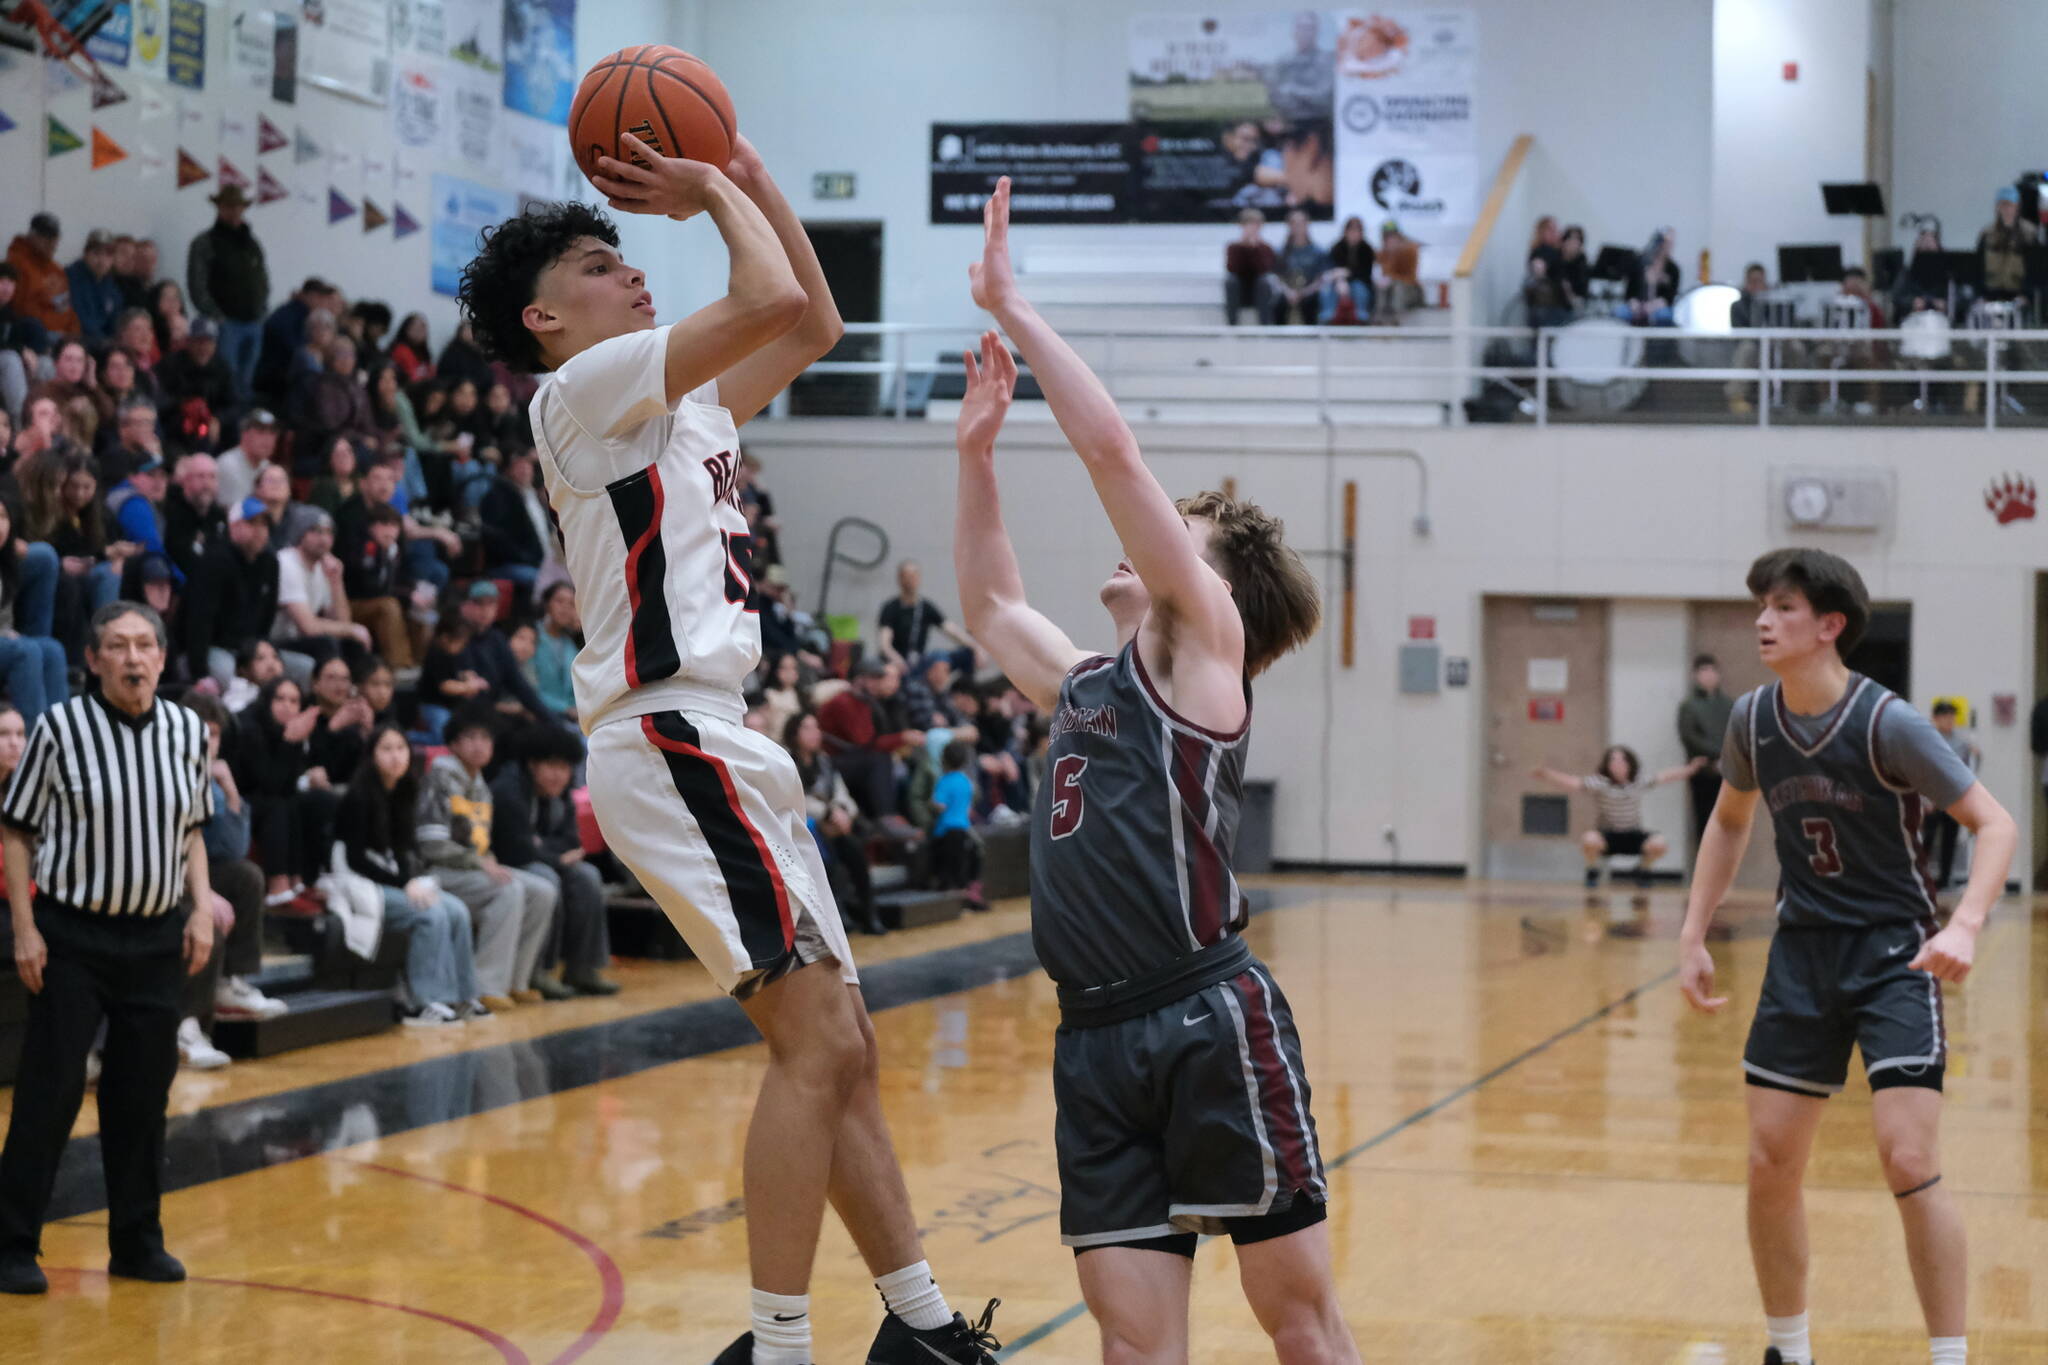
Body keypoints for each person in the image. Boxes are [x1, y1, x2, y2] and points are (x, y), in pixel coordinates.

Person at [456, 130, 1000, 1364]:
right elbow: (758, 296)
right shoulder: (579, 394)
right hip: (665, 736)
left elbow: (807, 321)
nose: (634, 275)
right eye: (604, 264)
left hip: (722, 737)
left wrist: (750, 179)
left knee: (844, 1050)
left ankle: (916, 1328)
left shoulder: (681, 406)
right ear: (544, 318)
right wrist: (706, 191)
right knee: (814, 1045)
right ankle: (775, 1344)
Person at [952, 177, 1353, 1361]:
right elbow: (989, 603)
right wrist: (978, 452)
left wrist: (1014, 307)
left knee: (1298, 1324)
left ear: (1210, 588)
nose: (1148, 539)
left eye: (1179, 534)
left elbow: (1112, 451)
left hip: (1205, 1019)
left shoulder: (1203, 665)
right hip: (1092, 1036)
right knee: (1133, 1349)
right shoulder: (1085, 680)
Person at [1679, 548, 2016, 1365]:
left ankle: (1950, 1356)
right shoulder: (1752, 720)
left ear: (1829, 626)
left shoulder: (1888, 723)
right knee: (1769, 1161)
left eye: (1785, 607)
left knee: (1908, 1155)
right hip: (1802, 951)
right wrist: (1695, 929)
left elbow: (1996, 823)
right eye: (1762, 604)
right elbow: (1729, 822)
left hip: (1895, 951)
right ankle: (1789, 1350)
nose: (1764, 619)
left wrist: (1965, 922)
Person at [0, 602, 214, 1295]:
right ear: (92, 660)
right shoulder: (60, 728)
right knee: (50, 1091)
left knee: (140, 1095)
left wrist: (201, 909)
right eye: (118, 645)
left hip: (155, 936)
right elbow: (16, 831)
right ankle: (9, 1243)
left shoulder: (186, 729)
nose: (133, 657)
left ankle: (137, 1241)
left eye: (145, 644)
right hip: (73, 934)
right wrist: (26, 927)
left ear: (160, 655)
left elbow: (193, 828)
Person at [332, 724, 481, 1025]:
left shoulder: (404, 792)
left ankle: (462, 995)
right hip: (356, 881)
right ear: (371, 755)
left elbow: (401, 851)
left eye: (400, 748)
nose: (395, 757)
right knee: (431, 913)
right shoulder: (358, 796)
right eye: (386, 749)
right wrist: (406, 884)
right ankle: (421, 1002)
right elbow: (356, 859)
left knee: (457, 911)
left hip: (388, 880)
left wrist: (412, 880)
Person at [418, 707, 555, 1012]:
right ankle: (484, 986)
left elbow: (480, 844)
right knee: (507, 889)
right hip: (437, 872)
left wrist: (485, 862)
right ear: (453, 744)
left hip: (470, 868)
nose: (479, 745)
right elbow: (430, 845)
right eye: (470, 738)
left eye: (485, 738)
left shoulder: (480, 786)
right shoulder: (438, 778)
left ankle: (516, 981)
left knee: (542, 891)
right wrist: (479, 863)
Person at [179, 693, 288, 1029]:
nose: (209, 743)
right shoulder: (169, 773)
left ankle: (230, 982)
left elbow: (232, 849)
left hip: (198, 871)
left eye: (214, 735)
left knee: (247, 875)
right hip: (163, 879)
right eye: (202, 733)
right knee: (207, 921)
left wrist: (231, 792)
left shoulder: (212, 780)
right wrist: (202, 896)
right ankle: (187, 1024)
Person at [490, 724, 617, 996]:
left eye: (565, 767)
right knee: (546, 878)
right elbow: (517, 850)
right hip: (509, 865)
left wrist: (544, 849)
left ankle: (583, 968)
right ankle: (539, 970)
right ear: (533, 764)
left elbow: (571, 841)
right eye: (552, 766)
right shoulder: (508, 790)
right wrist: (555, 857)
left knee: (587, 877)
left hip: (542, 861)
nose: (559, 775)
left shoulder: (561, 794)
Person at [1531, 746, 1703, 888]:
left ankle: (1643, 869)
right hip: (1608, 835)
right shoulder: (1600, 783)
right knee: (1589, 839)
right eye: (1613, 760)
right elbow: (1574, 784)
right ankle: (1592, 870)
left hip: (1633, 834)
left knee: (1659, 844)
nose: (1617, 764)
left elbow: (1666, 776)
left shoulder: (1638, 782)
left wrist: (1691, 769)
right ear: (1607, 764)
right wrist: (1547, 774)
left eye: (1622, 760)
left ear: (1630, 763)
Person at [182, 497, 280, 689]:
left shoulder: (270, 563)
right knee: (226, 673)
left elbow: (267, 617)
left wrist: (263, 653)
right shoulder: (214, 561)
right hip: (215, 647)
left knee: (299, 668)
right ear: (233, 526)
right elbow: (199, 620)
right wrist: (200, 672)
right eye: (252, 523)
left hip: (251, 648)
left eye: (264, 524)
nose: (260, 531)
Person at [0, 498, 67, 723]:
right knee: (26, 652)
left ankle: (64, 741)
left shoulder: (6, 560)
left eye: (3, 517)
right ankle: (33, 747)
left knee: (51, 650)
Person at [1678, 653, 1735, 850]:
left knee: (1728, 820)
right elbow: (1689, 736)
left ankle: (1725, 870)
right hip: (1702, 770)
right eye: (1703, 671)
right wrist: (1716, 755)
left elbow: (1736, 734)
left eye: (1712, 671)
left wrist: (1726, 757)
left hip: (1728, 770)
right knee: (1703, 817)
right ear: (1695, 675)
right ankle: (1704, 871)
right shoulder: (1689, 706)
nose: (1708, 676)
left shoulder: (1729, 704)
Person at [877, 558, 974, 672]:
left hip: (919, 661)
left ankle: (963, 687)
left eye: (913, 576)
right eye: (906, 577)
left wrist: (975, 647)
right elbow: (885, 645)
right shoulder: (891, 608)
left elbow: (949, 629)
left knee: (953, 656)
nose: (910, 580)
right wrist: (897, 659)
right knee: (889, 671)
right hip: (897, 662)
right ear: (900, 579)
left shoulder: (926, 607)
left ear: (919, 578)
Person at [1922, 702, 1980, 890]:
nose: (1949, 721)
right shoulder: (1927, 739)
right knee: (1927, 841)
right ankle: (1920, 878)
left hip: (1953, 798)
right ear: (1936, 718)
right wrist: (1925, 799)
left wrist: (1976, 756)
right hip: (1932, 797)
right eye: (1945, 717)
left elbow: (1968, 771)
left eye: (1952, 717)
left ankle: (1945, 880)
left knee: (1950, 840)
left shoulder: (1961, 743)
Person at [479, 446, 551, 591]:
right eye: (518, 466)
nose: (524, 470)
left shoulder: (535, 496)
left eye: (527, 465)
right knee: (540, 581)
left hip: (543, 562)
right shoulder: (499, 497)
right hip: (510, 564)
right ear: (508, 470)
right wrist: (528, 559)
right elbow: (499, 539)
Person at [5, 213, 79, 338]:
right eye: (46, 238)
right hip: (36, 337)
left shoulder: (56, 270)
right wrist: (57, 327)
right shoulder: (16, 265)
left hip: (64, 336)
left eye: (54, 238)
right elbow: (24, 311)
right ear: (32, 236)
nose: (52, 243)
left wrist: (74, 337)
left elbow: (68, 310)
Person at [928, 739, 982, 904]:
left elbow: (940, 805)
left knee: (947, 864)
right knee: (962, 861)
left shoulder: (944, 781)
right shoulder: (966, 781)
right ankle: (967, 893)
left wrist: (930, 803)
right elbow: (967, 806)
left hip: (946, 829)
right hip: (963, 827)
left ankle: (950, 895)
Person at [0, 263, 53, 424]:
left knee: (44, 363)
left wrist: (31, 352)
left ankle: (46, 418)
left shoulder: (9, 313)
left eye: (11, 283)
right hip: (6, 361)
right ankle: (19, 423)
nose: (7, 288)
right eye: (2, 281)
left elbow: (15, 340)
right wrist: (21, 350)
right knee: (10, 360)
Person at [1977, 185, 2036, 302]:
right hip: (1991, 291)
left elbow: (2035, 268)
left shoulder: (2029, 233)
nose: (2007, 209)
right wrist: (1980, 294)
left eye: (2010, 205)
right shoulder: (1987, 234)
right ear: (1997, 207)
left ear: (2017, 207)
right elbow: (1978, 267)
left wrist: (2027, 294)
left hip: (2018, 292)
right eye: (2003, 205)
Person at [533, 581, 581, 722]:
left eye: (572, 604)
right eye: (559, 601)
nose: (565, 608)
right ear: (547, 604)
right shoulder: (531, 636)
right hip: (540, 713)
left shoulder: (571, 645)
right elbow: (529, 685)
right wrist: (564, 709)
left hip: (570, 716)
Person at [65, 230, 123, 346]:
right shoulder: (71, 278)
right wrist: (105, 342)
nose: (102, 260)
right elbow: (79, 318)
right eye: (96, 253)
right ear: (86, 254)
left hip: (102, 343)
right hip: (77, 340)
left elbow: (116, 322)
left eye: (108, 255)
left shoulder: (111, 286)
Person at [1224, 208, 1280, 325]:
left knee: (1263, 282)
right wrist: (1244, 247)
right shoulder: (1233, 247)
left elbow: (1263, 268)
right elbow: (1233, 268)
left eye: (1256, 224)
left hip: (1259, 291)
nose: (1252, 228)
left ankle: (1264, 325)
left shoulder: (1265, 248)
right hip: (1240, 290)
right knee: (1231, 281)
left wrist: (1255, 249)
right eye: (1249, 224)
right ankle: (1232, 325)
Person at [214, 407, 279, 510]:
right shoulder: (228, 465)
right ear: (244, 434)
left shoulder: (267, 467)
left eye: (272, 432)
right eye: (261, 431)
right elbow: (236, 514)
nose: (268, 439)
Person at [1272, 209, 1324, 325]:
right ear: (1289, 226)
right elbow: (1277, 277)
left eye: (1301, 223)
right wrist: (1288, 292)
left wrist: (1304, 293)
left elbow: (1320, 279)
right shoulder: (1280, 252)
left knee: (1312, 302)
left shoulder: (1318, 252)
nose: (1298, 227)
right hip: (1286, 292)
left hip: (1309, 292)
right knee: (1278, 303)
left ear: (1307, 225)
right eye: (1294, 224)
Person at [1321, 215, 1376, 325]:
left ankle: (1361, 315)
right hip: (1338, 283)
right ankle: (1328, 315)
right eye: (1351, 230)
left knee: (1359, 288)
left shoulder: (1367, 250)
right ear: (1345, 232)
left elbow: (1366, 273)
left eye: (1357, 231)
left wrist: (1347, 273)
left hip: (1360, 283)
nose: (1354, 234)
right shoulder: (1337, 247)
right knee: (1327, 289)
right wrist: (1340, 280)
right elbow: (1331, 269)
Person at [1621, 227, 1681, 326]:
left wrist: (1653, 305)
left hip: (1659, 306)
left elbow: (1670, 298)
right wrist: (1634, 303)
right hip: (1638, 304)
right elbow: (1629, 293)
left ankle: (1660, 340)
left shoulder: (1673, 269)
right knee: (1621, 312)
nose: (1668, 246)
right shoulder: (1640, 263)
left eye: (1671, 243)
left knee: (1664, 315)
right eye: (1665, 242)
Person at [1376, 218, 1422, 320]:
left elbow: (1410, 277)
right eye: (1387, 236)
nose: (1390, 239)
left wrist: (1394, 255)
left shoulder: (1409, 251)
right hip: (1390, 289)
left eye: (1393, 236)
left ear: (1399, 236)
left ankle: (1397, 318)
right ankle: (1379, 317)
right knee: (1380, 285)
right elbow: (1381, 273)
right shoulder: (1382, 253)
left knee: (1398, 286)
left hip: (1410, 290)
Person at [388, 312, 434, 383]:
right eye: (419, 327)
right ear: (407, 330)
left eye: (424, 328)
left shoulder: (424, 353)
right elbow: (412, 377)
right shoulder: (401, 350)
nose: (423, 331)